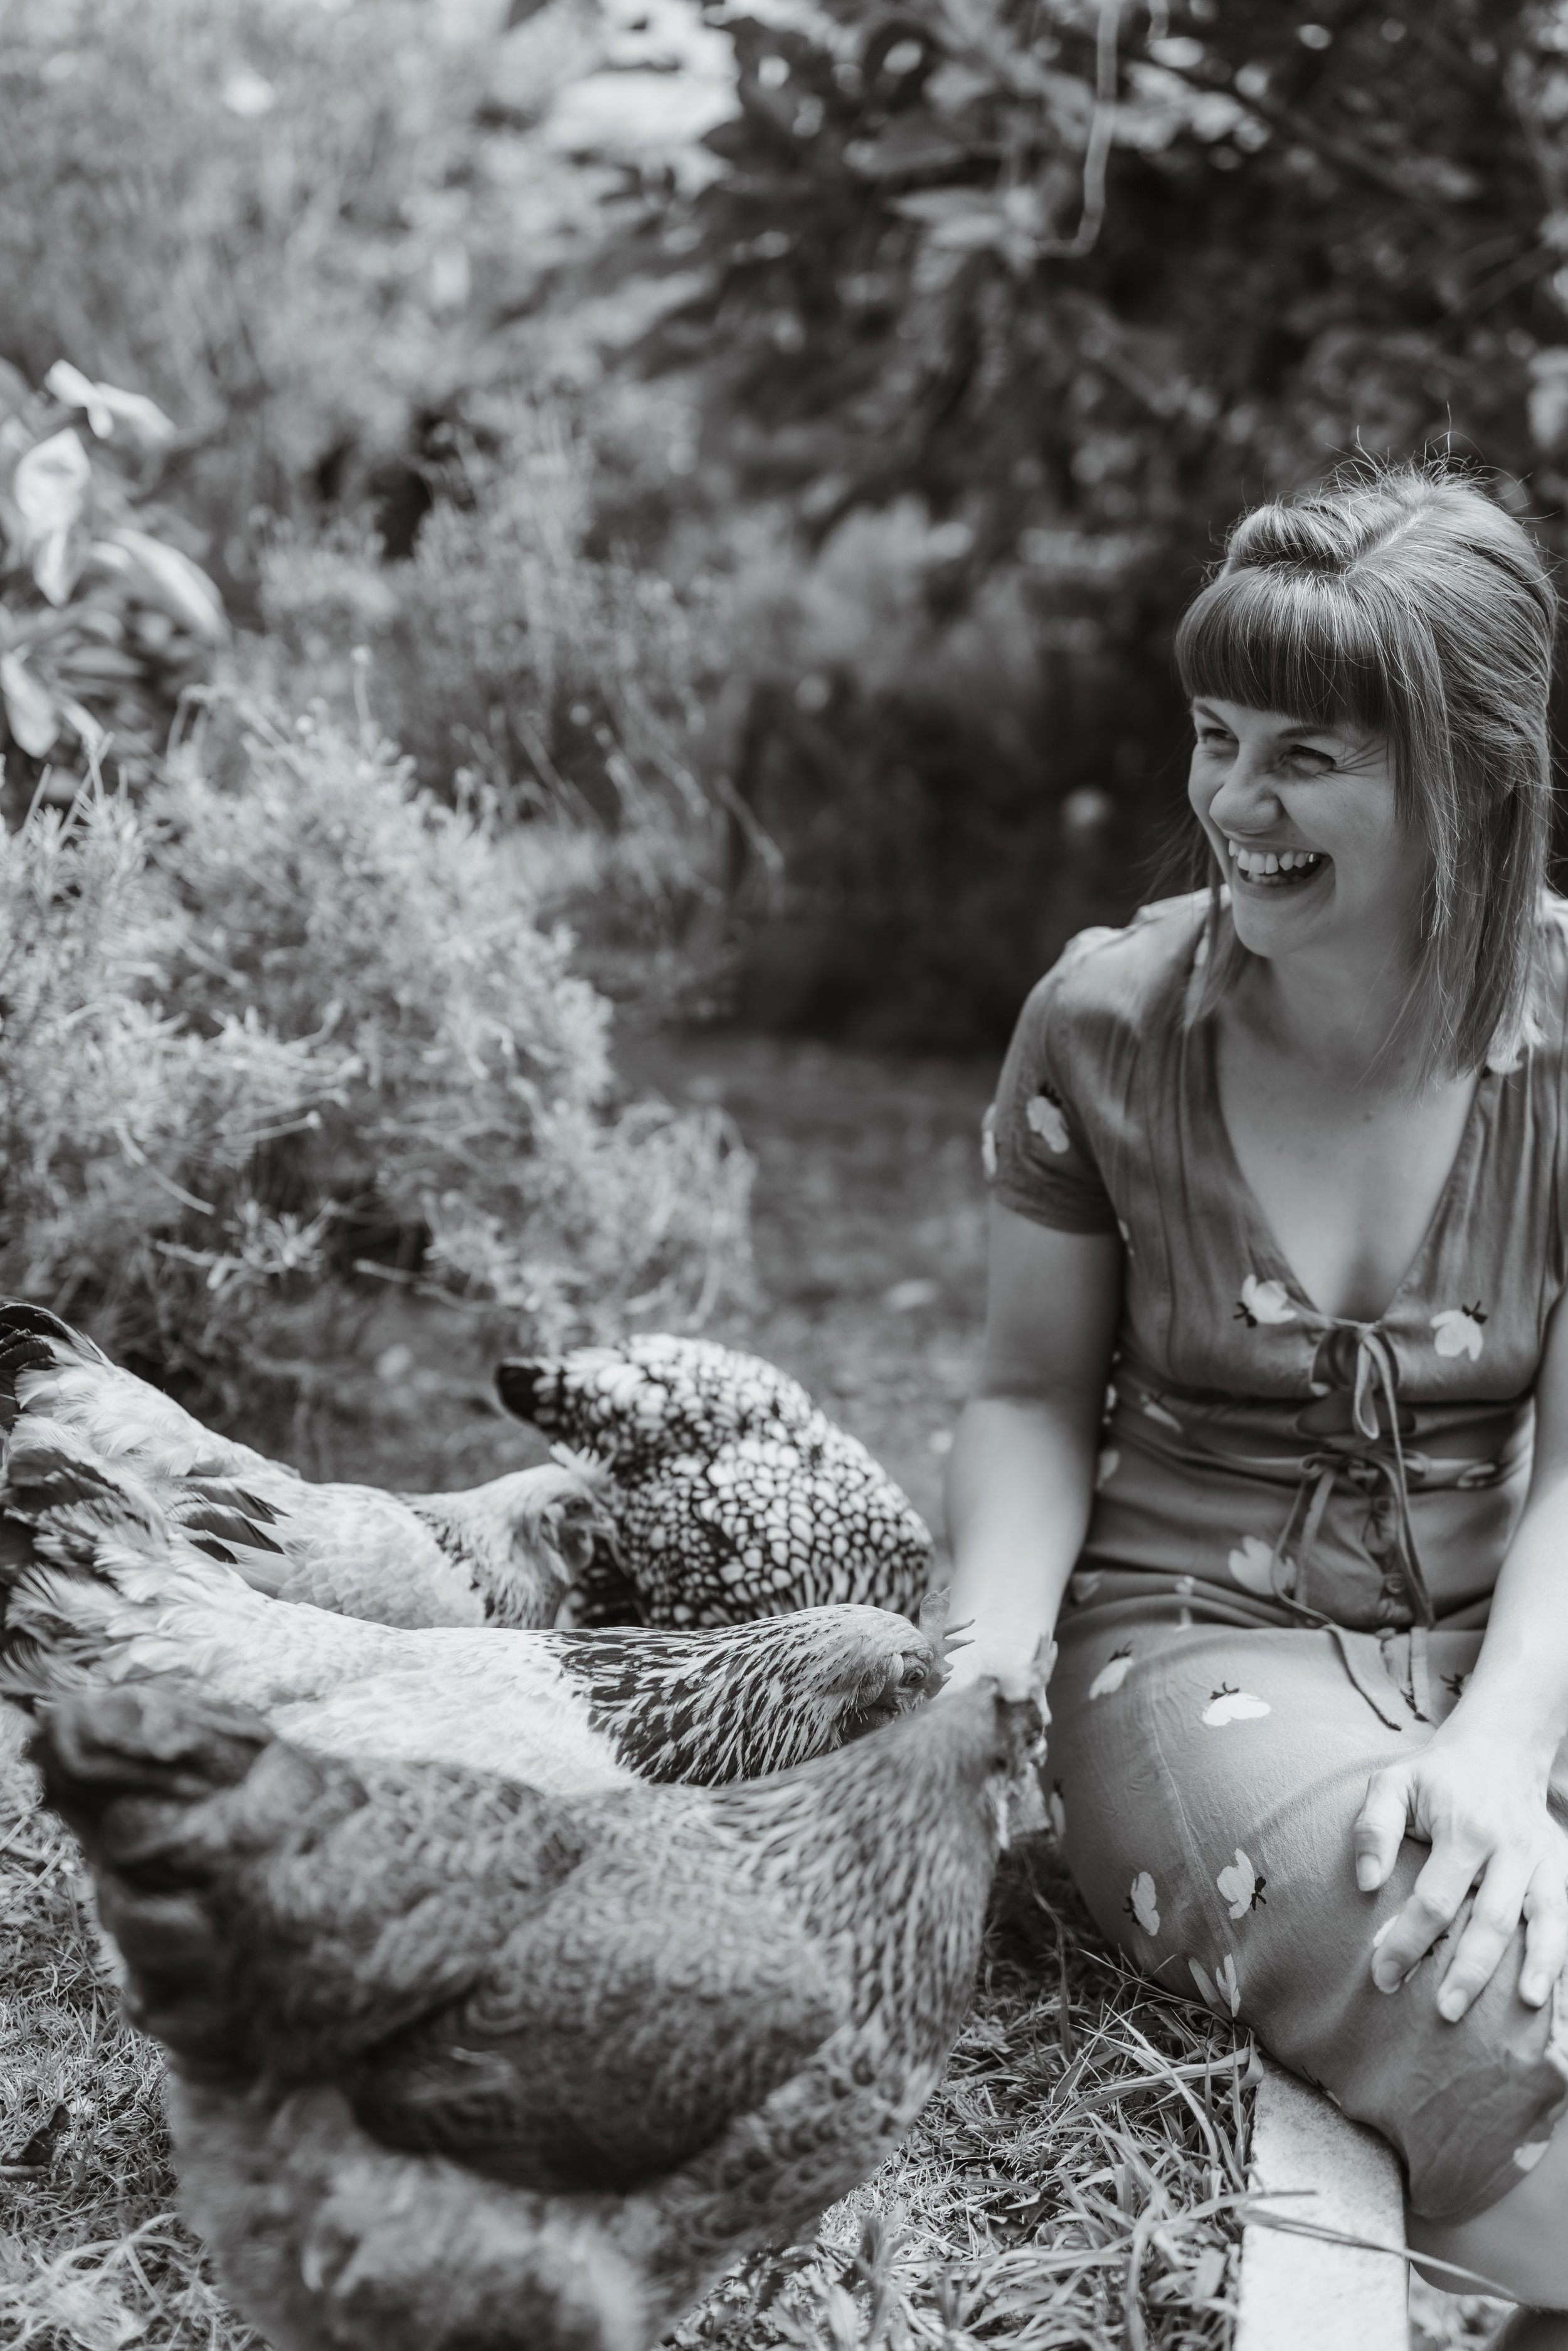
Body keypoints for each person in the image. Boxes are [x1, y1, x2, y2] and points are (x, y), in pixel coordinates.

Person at [945, 464, 1568, 2344]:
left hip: (1514, 1634)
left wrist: (1495, 1744)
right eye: (1216, 737)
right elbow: (1029, 1387)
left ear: (1463, 774)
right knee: (1457, 1962)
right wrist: (976, 1677)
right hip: (1188, 1647)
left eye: (1304, 753)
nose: (1232, 800)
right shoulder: (1106, 1025)